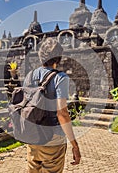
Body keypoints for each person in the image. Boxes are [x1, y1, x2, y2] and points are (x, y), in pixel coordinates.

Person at [26, 37, 81, 172]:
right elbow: (62, 113)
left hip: (32, 136)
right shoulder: (60, 78)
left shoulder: (30, 75)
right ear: (58, 58)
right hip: (53, 138)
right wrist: (74, 144)